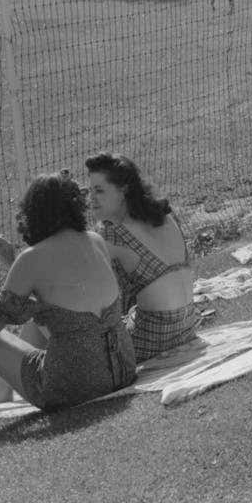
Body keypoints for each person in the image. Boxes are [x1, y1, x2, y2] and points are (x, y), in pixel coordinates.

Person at [0, 171, 136, 420]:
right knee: (46, 322)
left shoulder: (32, 258)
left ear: (34, 213)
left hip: (73, 387)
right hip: (123, 369)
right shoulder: (95, 240)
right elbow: (61, 296)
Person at [85, 152, 199, 363]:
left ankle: (10, 388)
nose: (90, 198)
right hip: (187, 329)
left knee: (46, 314)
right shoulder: (165, 217)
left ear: (124, 190)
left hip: (151, 340)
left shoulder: (112, 233)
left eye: (99, 190)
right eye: (89, 190)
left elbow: (81, 289)